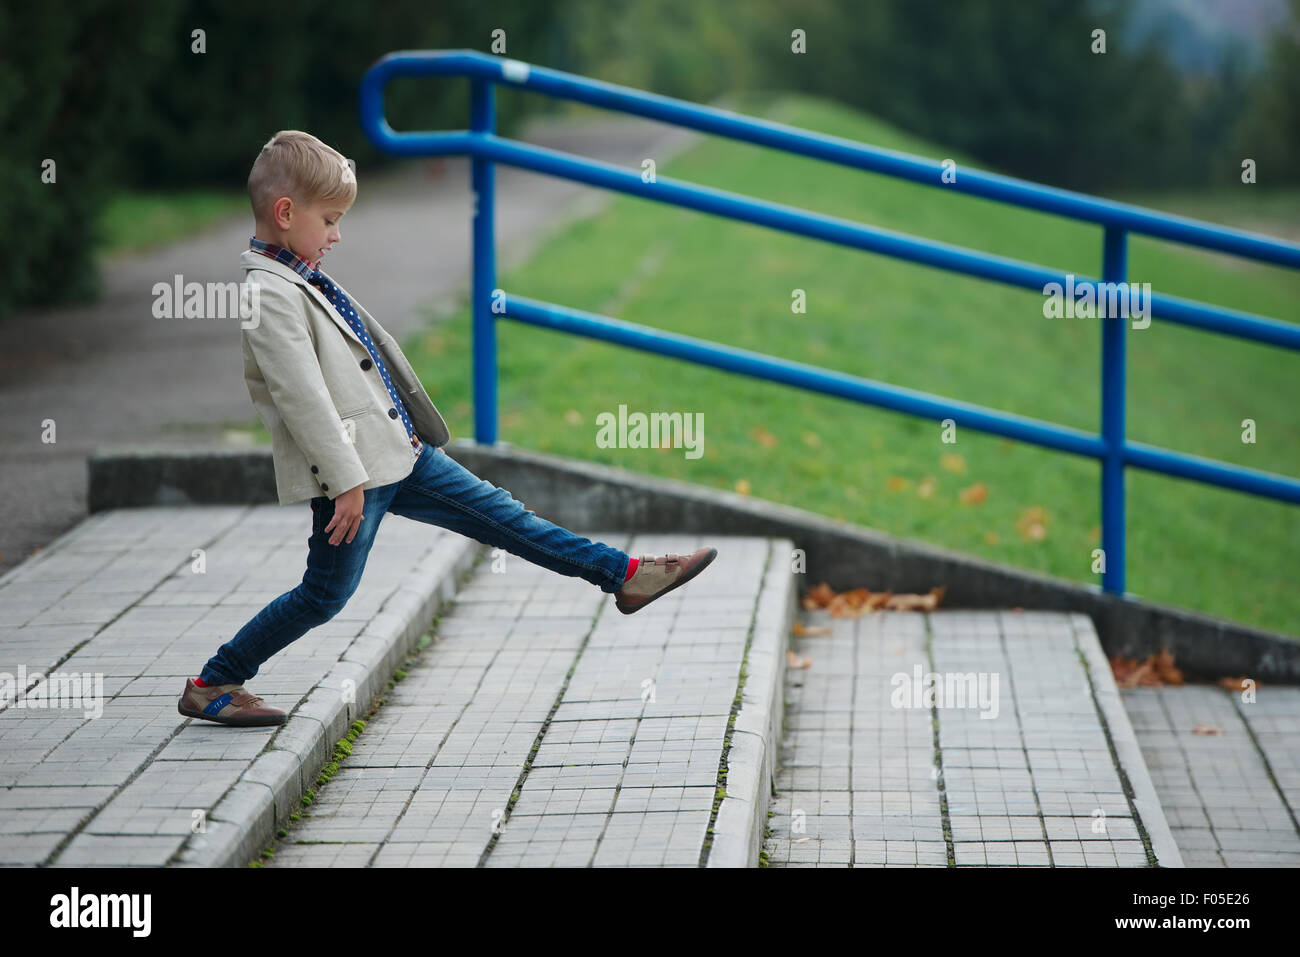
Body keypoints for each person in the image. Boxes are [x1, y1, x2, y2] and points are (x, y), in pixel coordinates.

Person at [178, 130, 716, 728]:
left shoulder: (298, 276)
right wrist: (346, 482)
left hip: (400, 457)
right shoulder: (270, 294)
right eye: (329, 220)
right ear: (285, 213)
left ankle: (625, 576)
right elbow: (302, 399)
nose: (336, 235)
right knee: (322, 597)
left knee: (506, 517)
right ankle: (213, 681)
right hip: (355, 479)